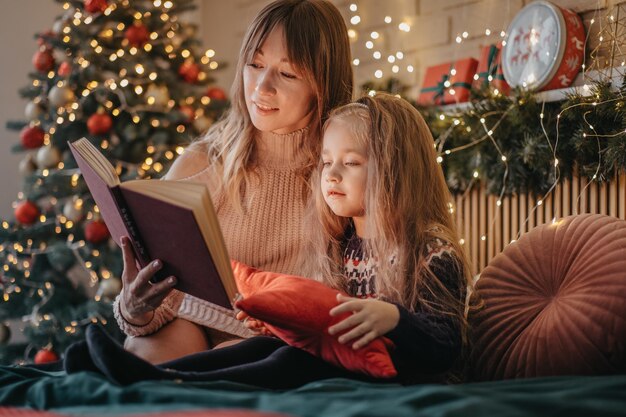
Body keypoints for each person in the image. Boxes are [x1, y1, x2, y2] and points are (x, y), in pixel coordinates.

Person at [112, 0, 354, 364]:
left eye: (287, 74)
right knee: (144, 369)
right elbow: (156, 300)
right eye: (254, 65)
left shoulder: (343, 172)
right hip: (192, 327)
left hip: (285, 347)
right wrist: (134, 308)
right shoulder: (201, 164)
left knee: (233, 363)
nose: (261, 87)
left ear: (324, 84)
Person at [298, 93, 474, 382]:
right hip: (348, 373)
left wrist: (395, 319)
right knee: (271, 350)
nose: (331, 175)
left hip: (404, 384)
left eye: (352, 163)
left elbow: (446, 346)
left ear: (395, 171)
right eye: (326, 162)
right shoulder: (337, 246)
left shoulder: (432, 253)